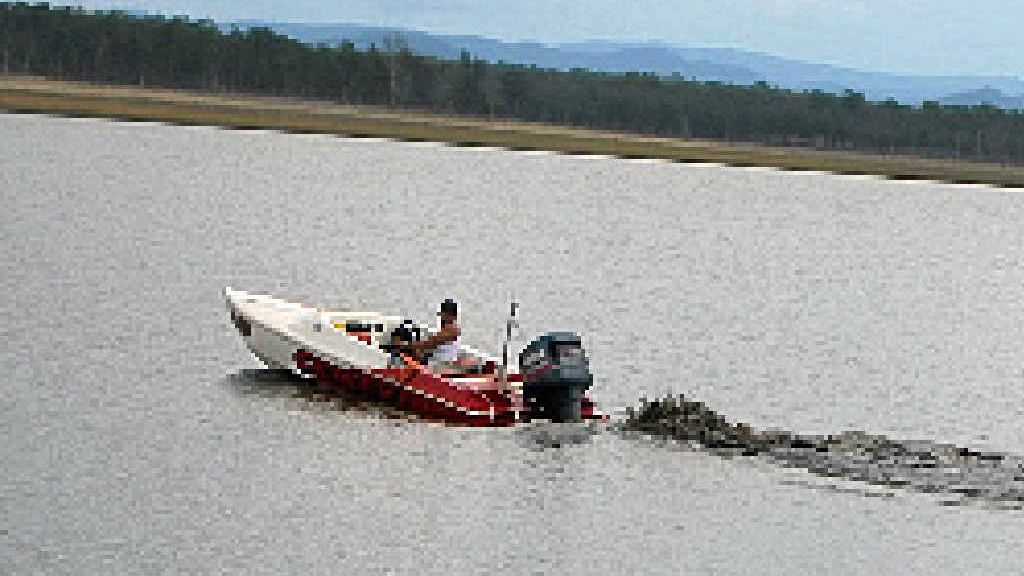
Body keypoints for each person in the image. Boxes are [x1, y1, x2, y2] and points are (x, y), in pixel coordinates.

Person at [409, 299, 462, 371]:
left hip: (442, 366)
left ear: (451, 316)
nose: (440, 317)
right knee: (416, 353)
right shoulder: (448, 329)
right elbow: (429, 344)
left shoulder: (451, 330)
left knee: (412, 355)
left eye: (443, 314)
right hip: (440, 362)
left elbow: (428, 344)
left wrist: (408, 345)